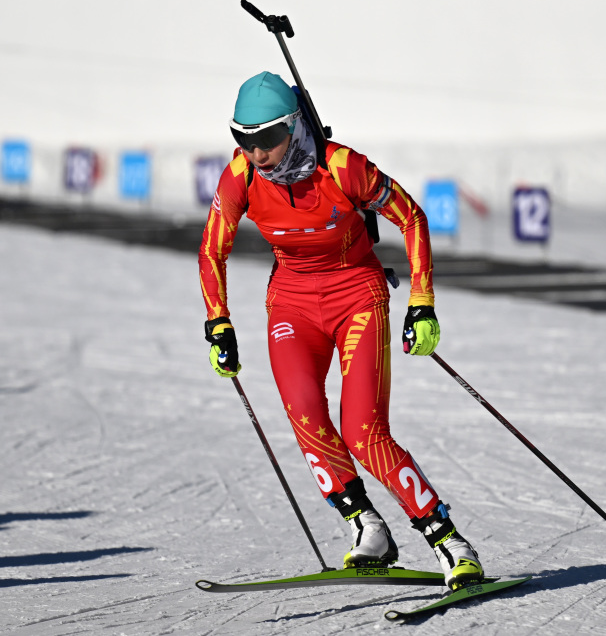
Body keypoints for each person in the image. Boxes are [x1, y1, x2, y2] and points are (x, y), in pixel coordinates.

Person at [198, 71, 483, 589]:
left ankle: (449, 541)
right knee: (306, 415)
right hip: (292, 303)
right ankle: (367, 527)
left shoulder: (341, 166)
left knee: (364, 432)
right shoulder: (239, 176)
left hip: (357, 295)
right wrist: (219, 321)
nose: (257, 153)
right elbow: (212, 248)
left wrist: (422, 302)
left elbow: (412, 218)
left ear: (292, 127)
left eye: (266, 139)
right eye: (244, 139)